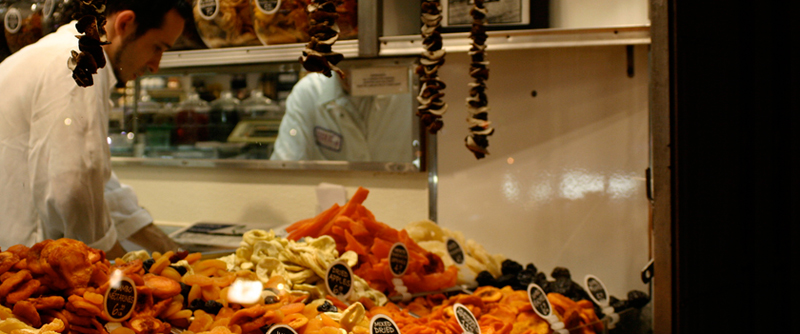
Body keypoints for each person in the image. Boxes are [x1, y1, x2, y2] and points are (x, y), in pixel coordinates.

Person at [0, 0, 191, 258]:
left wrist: (176, 253)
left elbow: (98, 186)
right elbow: (74, 186)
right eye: (157, 47)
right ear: (125, 23)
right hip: (21, 270)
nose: (155, 65)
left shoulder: (60, 52)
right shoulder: (77, 63)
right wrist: (122, 270)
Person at [270, 72, 415, 162]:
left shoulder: (409, 89)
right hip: (328, 208)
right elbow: (285, 165)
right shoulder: (309, 91)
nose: (350, 73)